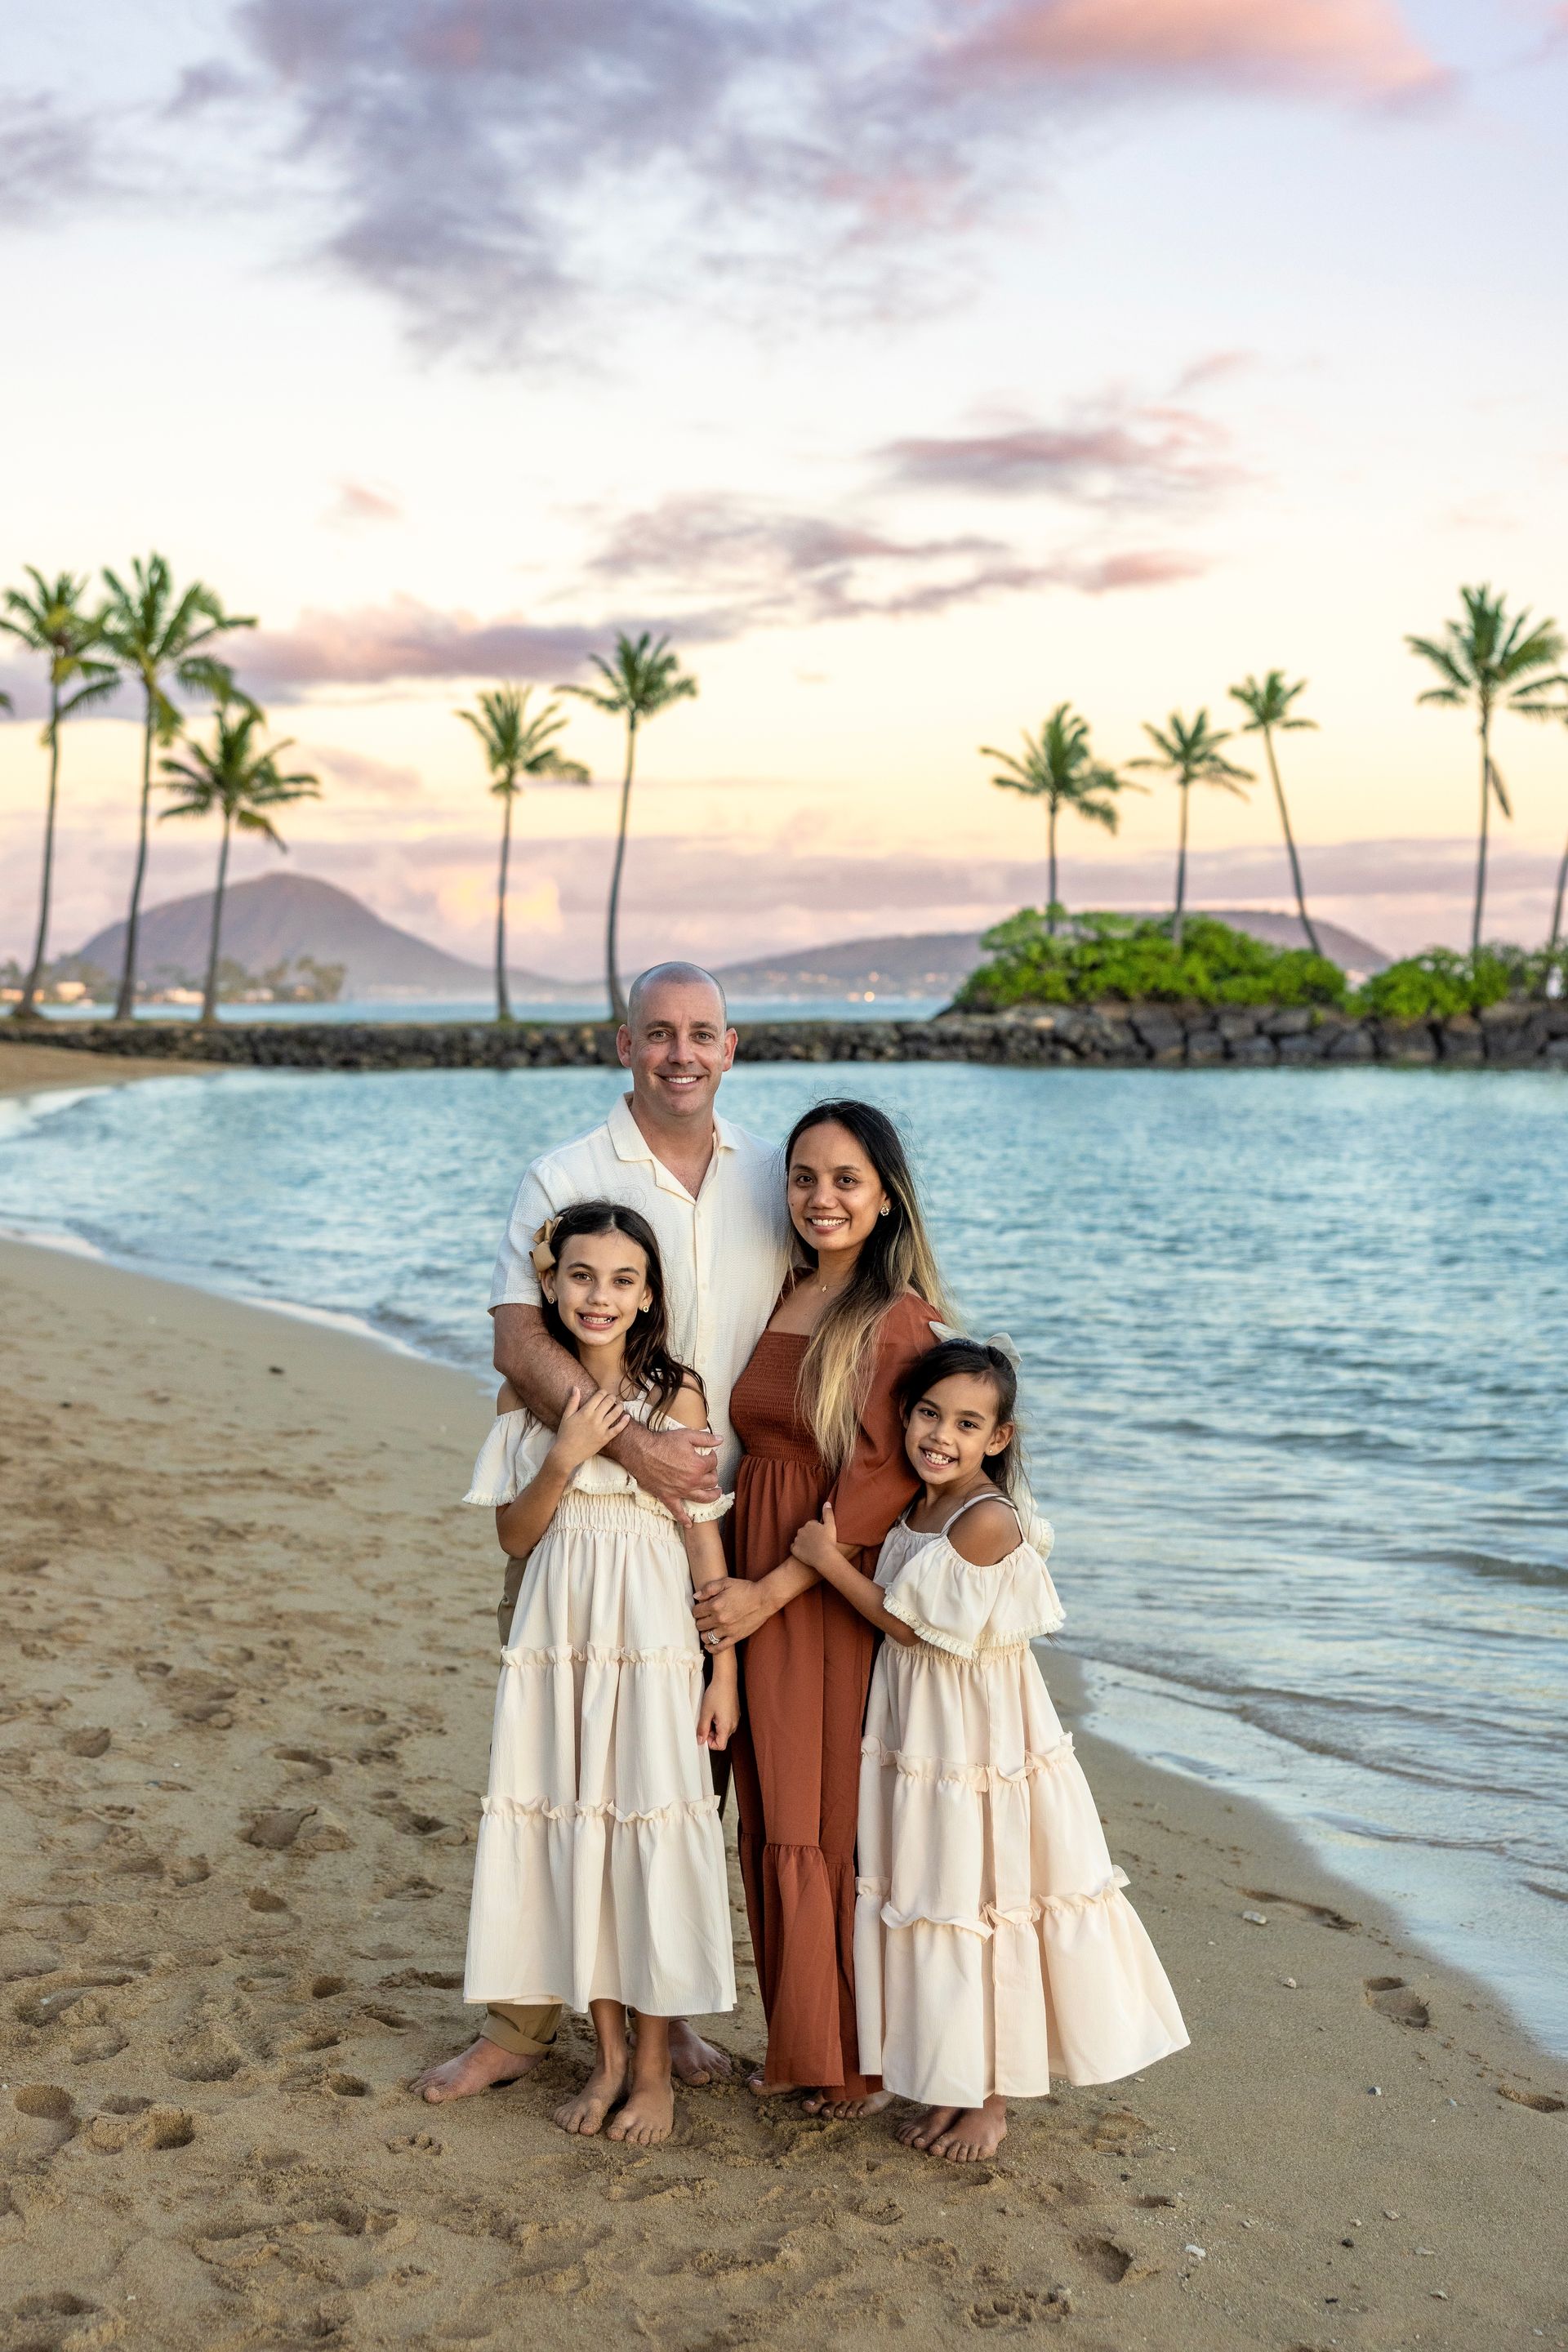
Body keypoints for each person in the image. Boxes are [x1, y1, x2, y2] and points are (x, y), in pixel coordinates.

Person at [416, 962, 789, 2105]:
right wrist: (620, 1448)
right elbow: (516, 1339)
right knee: (553, 1770)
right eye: (659, 1033)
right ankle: (522, 2028)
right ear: (622, 1044)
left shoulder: (770, 1178)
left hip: (718, 1529)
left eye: (703, 1034)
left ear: (732, 1049)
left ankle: (661, 2026)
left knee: (679, 1783)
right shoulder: (565, 1174)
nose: (681, 1051)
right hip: (582, 1514)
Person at [790, 1336, 1189, 2163]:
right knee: (938, 1893)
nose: (943, 1435)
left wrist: (825, 1561)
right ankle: (951, 2079)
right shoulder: (919, 1505)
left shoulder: (987, 1520)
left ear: (998, 1440)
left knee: (990, 1894)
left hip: (981, 1743)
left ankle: (994, 2100)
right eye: (930, 1415)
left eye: (968, 1424)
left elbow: (908, 1623)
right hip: (920, 1732)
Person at [449, 1201, 739, 2146]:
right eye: (580, 1276)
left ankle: (653, 2070)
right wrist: (568, 1457)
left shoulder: (678, 1398)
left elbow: (704, 1543)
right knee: (581, 1832)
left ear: (649, 1293)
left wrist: (722, 1669)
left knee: (646, 1834)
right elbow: (514, 1535)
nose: (599, 1296)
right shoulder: (531, 1401)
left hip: (651, 1647)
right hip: (561, 1646)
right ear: (550, 1284)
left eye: (621, 1280)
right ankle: (606, 2058)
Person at [695, 1099, 949, 2118]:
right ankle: (801, 2038)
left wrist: (771, 1591)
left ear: (885, 1196)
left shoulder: (899, 1319)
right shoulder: (782, 1292)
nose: (822, 1198)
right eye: (804, 1177)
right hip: (745, 1562)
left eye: (846, 1180)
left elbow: (885, 1477)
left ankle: (850, 2060)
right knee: (768, 1807)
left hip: (815, 1590)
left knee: (820, 1817)